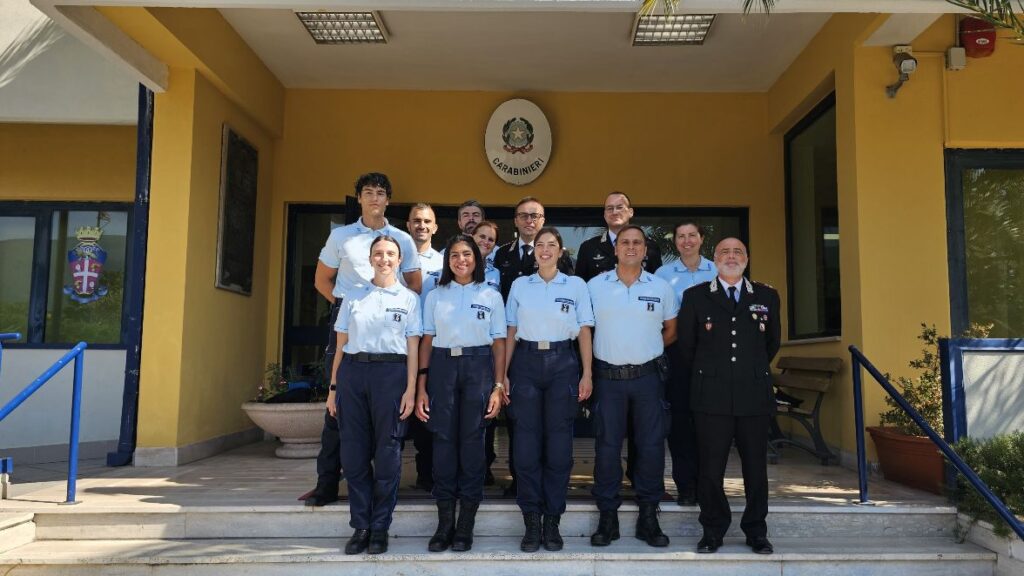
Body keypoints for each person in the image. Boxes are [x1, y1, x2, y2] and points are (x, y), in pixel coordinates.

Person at [306, 172, 421, 508]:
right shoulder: (341, 236)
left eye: (380, 193)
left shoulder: (401, 239)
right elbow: (321, 280)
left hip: (389, 334)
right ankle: (326, 484)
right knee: (337, 410)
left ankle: (383, 491)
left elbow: (414, 283)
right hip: (350, 326)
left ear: (388, 200)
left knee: (387, 422)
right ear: (358, 198)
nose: (374, 198)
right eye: (368, 192)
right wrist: (352, 309)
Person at [676, 237, 781, 555]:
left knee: (755, 469)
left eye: (738, 252)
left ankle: (756, 531)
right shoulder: (695, 296)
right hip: (711, 397)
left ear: (747, 258)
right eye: (725, 252)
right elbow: (687, 347)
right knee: (710, 469)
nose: (731, 256)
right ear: (715, 258)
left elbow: (772, 343)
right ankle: (712, 529)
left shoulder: (766, 295)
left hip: (753, 396)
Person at [327, 235, 421, 556]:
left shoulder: (409, 299)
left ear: (399, 260)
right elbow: (340, 346)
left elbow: (413, 348)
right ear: (370, 259)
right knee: (353, 455)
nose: (384, 259)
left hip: (392, 376)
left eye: (391, 254)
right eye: (378, 253)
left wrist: (411, 389)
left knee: (387, 455)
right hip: (353, 374)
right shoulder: (353, 296)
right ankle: (361, 526)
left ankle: (380, 526)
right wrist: (333, 388)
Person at [503, 227, 594, 552]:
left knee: (559, 446)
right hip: (525, 362)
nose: (544, 250)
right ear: (534, 252)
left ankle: (552, 520)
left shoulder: (576, 285)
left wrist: (587, 373)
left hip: (563, 363)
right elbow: (510, 330)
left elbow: (584, 331)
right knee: (526, 446)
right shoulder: (520, 285)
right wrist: (503, 375)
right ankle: (531, 520)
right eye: (539, 245)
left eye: (551, 245)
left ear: (560, 251)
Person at [587, 225, 678, 549]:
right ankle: (607, 517)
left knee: (651, 447)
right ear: (615, 249)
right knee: (607, 448)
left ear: (645, 249)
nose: (630, 247)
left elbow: (671, 330)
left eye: (637, 242)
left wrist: (645, 349)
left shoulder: (661, 287)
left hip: (647, 380)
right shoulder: (594, 286)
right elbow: (584, 331)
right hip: (608, 379)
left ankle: (649, 517)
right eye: (624, 242)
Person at [416, 235, 506, 553]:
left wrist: (498, 386)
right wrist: (421, 385)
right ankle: (444, 524)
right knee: (442, 441)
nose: (461, 260)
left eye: (466, 254)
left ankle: (465, 523)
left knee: (472, 442)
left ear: (476, 259)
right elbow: (426, 341)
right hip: (442, 367)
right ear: (447, 261)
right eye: (454, 255)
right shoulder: (435, 295)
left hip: (478, 367)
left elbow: (499, 344)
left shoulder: (491, 295)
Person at [491, 197, 574, 497]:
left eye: (535, 215)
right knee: (522, 428)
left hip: (558, 358)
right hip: (518, 350)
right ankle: (521, 484)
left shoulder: (568, 272)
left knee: (556, 430)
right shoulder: (501, 256)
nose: (529, 220)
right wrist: (503, 372)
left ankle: (551, 493)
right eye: (523, 215)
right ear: (515, 220)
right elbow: (508, 321)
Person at [654, 220, 718, 506]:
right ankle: (686, 486)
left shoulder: (717, 270)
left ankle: (709, 485)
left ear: (702, 239)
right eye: (681, 236)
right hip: (677, 354)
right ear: (675, 241)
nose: (687, 241)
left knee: (710, 422)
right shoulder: (662, 274)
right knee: (680, 421)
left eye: (692, 235)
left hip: (713, 355)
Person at [406, 203, 442, 491]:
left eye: (427, 221)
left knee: (428, 406)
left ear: (435, 227)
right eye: (417, 221)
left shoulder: (444, 263)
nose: (421, 225)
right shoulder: (393, 256)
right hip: (399, 343)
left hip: (431, 343)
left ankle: (427, 473)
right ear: (408, 225)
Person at [574, 191, 662, 282]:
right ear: (605, 215)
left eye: (619, 207)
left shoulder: (650, 246)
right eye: (610, 208)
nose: (614, 212)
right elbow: (580, 286)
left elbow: (657, 283)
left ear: (630, 212)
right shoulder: (588, 247)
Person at [471, 220, 501, 293]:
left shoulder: (496, 273)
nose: (486, 242)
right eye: (482, 237)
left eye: (491, 240)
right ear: (471, 238)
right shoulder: (459, 267)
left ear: (494, 246)